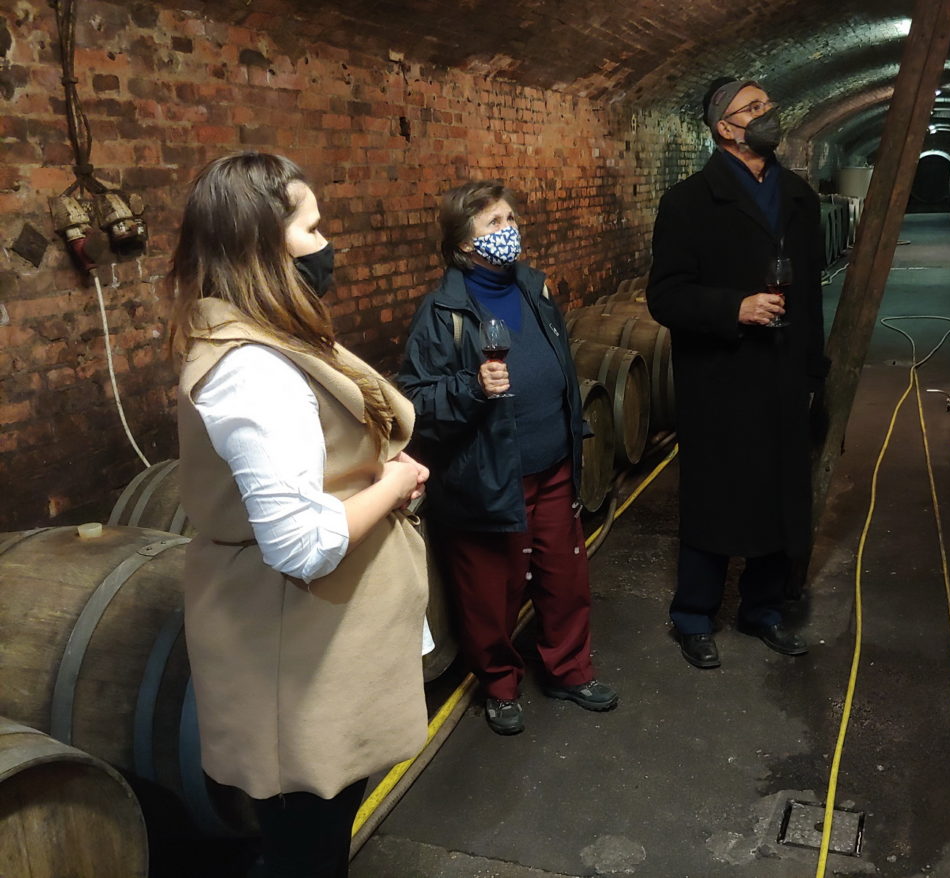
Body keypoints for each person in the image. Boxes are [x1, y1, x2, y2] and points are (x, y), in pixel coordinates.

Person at [169, 152, 431, 878]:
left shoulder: (273, 337)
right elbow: (301, 544)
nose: (326, 243)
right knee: (306, 852)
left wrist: (378, 476)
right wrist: (394, 482)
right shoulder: (252, 369)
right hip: (296, 651)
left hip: (322, 642)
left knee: (318, 838)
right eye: (312, 229)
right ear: (262, 247)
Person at [397, 180, 618, 735]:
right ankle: (499, 685)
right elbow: (416, 402)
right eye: (493, 223)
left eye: (510, 218)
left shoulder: (534, 288)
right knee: (491, 593)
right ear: (463, 242)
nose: (508, 229)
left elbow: (560, 366)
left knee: (565, 578)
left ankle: (569, 670)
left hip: (554, 464)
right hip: (489, 476)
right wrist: (472, 386)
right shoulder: (441, 311)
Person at [646, 78, 829, 670]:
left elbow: (813, 298)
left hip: (783, 373)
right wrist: (735, 307)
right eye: (754, 108)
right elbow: (665, 296)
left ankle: (763, 610)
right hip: (721, 379)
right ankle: (694, 616)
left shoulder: (798, 197)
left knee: (779, 493)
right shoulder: (688, 202)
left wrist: (814, 370)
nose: (768, 114)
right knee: (716, 498)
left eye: (768, 105)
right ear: (725, 127)